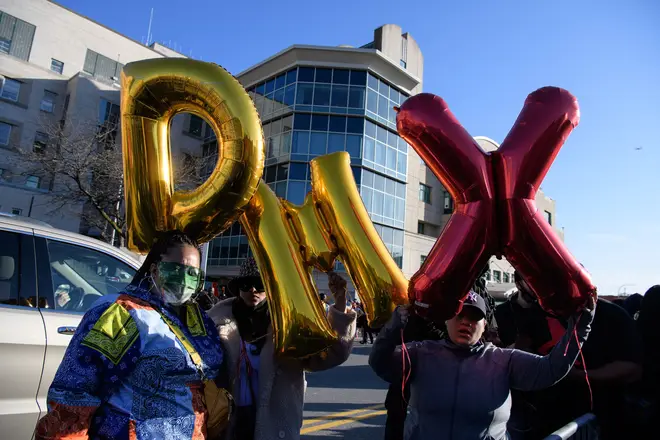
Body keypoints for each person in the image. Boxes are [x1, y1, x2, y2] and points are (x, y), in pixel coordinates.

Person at [36, 231, 226, 440]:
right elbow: (75, 389)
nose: (184, 279)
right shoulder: (122, 312)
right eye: (176, 269)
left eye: (192, 273)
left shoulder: (199, 318)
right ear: (154, 270)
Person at [369, 290, 595, 440]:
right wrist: (395, 324)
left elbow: (551, 369)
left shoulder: (504, 360)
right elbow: (380, 362)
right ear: (447, 319)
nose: (465, 322)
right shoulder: (421, 352)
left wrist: (581, 326)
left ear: (485, 324)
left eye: (474, 317)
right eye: (458, 315)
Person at [207, 257, 357, 440]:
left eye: (259, 284)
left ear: (270, 287)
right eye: (246, 285)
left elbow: (328, 355)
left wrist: (340, 303)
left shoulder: (290, 323)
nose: (253, 290)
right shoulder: (214, 323)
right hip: (228, 422)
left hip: (276, 424)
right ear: (238, 288)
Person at [496, 272, 643, 439]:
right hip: (546, 419)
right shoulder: (536, 313)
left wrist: (574, 375)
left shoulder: (612, 315)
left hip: (602, 417)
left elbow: (632, 369)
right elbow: (522, 352)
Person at [383, 312, 443, 440]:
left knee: (430, 418)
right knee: (396, 413)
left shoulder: (443, 305)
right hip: (403, 368)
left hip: (431, 369)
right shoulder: (407, 309)